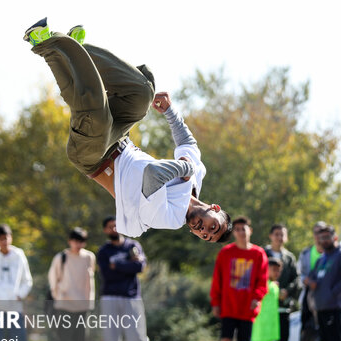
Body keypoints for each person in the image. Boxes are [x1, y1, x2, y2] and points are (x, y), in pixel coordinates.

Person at [23, 18, 232, 242]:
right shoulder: (195, 181)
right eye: (213, 227)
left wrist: (186, 167)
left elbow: (153, 175)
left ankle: (45, 43)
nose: (204, 230)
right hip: (120, 138)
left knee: (95, 110)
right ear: (215, 208)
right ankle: (80, 51)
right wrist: (170, 113)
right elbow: (188, 144)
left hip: (94, 158)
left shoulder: (171, 218)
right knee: (141, 94)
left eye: (206, 236)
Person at [210, 216, 268, 341]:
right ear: (233, 232)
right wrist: (216, 302)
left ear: (250, 231)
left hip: (247, 308)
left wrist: (256, 297)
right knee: (226, 340)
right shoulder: (226, 252)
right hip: (228, 305)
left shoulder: (258, 254)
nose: (241, 232)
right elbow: (217, 280)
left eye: (244, 229)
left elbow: (262, 281)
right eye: (237, 229)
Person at [97, 217, 153, 341]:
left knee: (138, 336)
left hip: (131, 297)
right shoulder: (103, 251)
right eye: (109, 226)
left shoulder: (132, 246)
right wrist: (128, 265)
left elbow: (140, 267)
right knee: (111, 338)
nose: (114, 228)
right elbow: (108, 274)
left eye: (116, 224)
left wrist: (118, 265)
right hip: (110, 297)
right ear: (105, 230)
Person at [47, 227, 95, 341]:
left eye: (81, 241)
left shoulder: (89, 257)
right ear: (70, 241)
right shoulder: (61, 257)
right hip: (64, 305)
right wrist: (58, 297)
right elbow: (53, 279)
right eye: (75, 241)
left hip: (82, 306)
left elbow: (90, 279)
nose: (78, 244)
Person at [263, 224, 300, 341]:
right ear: (271, 236)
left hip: (283, 306)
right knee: (263, 340)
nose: (279, 237)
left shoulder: (289, 257)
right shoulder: (263, 254)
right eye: (276, 234)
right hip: (265, 306)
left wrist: (286, 292)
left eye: (282, 235)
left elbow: (296, 280)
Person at [296, 221, 326, 341]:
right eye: (316, 232)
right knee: (306, 340)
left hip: (327, 302)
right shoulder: (307, 253)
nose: (319, 235)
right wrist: (306, 280)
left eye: (322, 232)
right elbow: (299, 274)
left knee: (328, 339)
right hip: (308, 300)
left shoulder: (332, 253)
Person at [250, 257, 282, 341]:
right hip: (261, 323)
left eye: (278, 270)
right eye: (273, 270)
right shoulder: (261, 283)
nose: (276, 273)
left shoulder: (274, 285)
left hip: (271, 323)